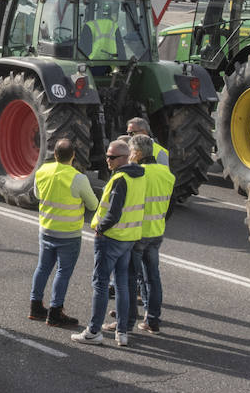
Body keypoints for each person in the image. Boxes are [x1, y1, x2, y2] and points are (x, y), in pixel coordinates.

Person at [72, 137, 147, 347]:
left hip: (111, 238)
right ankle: (122, 332)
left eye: (112, 157)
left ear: (124, 157)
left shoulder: (120, 179)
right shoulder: (140, 177)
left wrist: (99, 228)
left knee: (100, 284)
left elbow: (113, 213)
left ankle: (93, 331)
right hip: (129, 238)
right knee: (122, 284)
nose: (107, 160)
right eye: (106, 155)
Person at [29, 137, 100, 328]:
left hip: (46, 229)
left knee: (43, 267)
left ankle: (35, 306)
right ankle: (55, 311)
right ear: (74, 156)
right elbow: (94, 204)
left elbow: (37, 195)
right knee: (63, 272)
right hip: (68, 235)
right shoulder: (78, 178)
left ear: (55, 154)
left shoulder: (42, 171)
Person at [133, 142, 175, 333]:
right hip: (157, 231)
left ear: (139, 153)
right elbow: (170, 205)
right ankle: (152, 319)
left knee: (130, 277)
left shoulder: (137, 173)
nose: (130, 154)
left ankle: (126, 318)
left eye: (132, 151)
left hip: (136, 232)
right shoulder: (166, 174)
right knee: (153, 277)